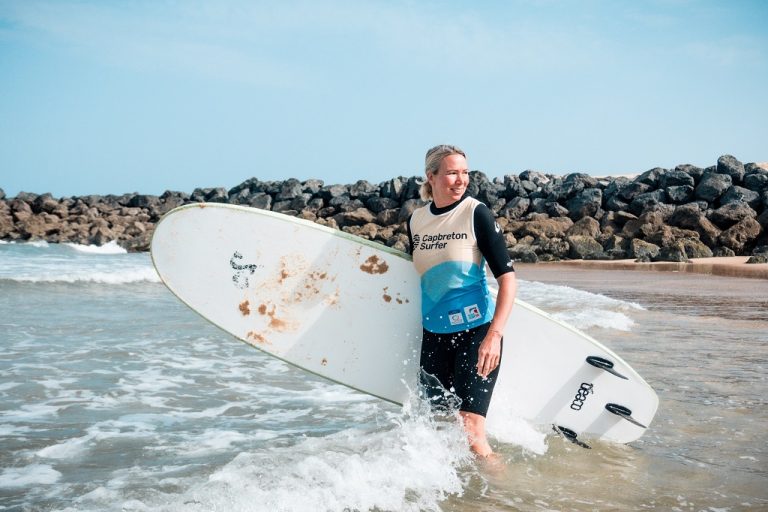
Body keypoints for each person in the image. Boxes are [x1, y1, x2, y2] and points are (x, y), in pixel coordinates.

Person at [407, 144, 517, 457]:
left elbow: (508, 279)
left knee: (470, 430)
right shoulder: (416, 221)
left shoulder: (475, 213)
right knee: (438, 430)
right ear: (431, 176)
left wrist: (494, 337)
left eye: (465, 172)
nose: (461, 180)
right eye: (452, 172)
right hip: (434, 337)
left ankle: (501, 499)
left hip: (476, 332)